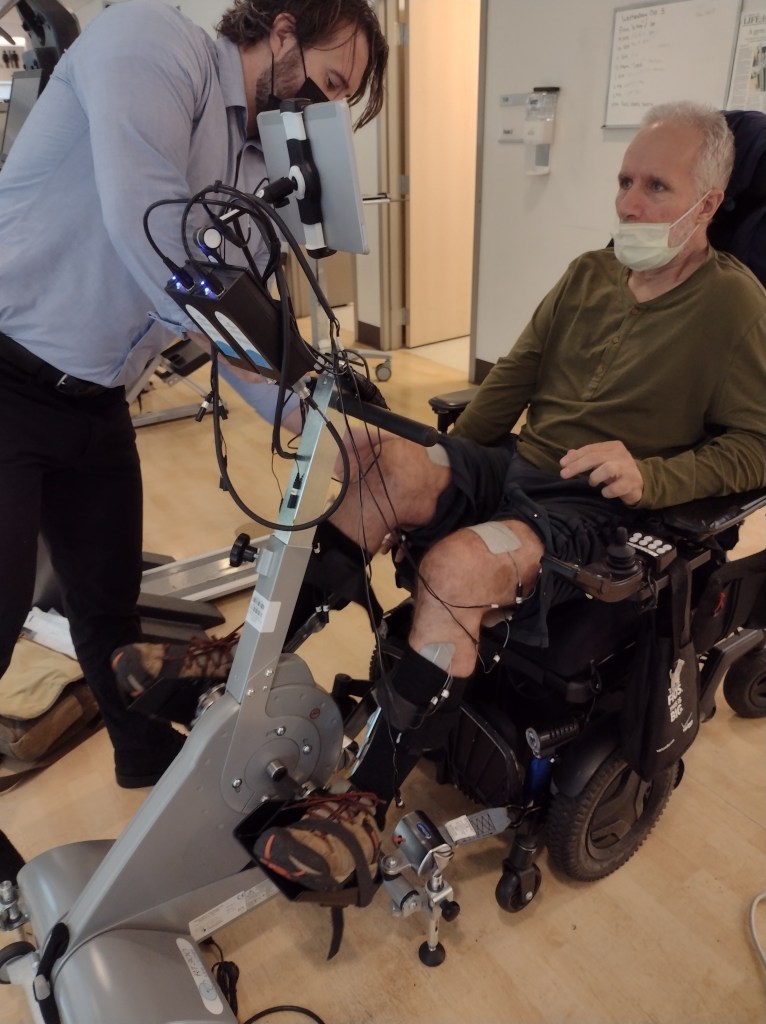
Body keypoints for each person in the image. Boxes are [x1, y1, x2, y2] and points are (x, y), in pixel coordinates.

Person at [115, 100, 766, 888]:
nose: (629, 203)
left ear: (709, 203)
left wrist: (652, 475)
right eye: (625, 181)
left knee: (456, 568)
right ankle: (241, 659)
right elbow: (512, 381)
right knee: (379, 467)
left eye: (656, 187)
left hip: (597, 513)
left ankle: (365, 803)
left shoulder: (733, 306)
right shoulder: (590, 273)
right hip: (520, 467)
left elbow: (756, 447)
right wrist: (431, 460)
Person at [0, 0, 387, 789]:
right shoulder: (154, 44)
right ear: (284, 30)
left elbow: (231, 323)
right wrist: (285, 370)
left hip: (98, 402)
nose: (322, 108)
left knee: (108, 608)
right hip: (7, 379)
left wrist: (321, 423)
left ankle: (145, 765)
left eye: (340, 100)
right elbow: (152, 231)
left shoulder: (254, 169)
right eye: (329, 81)